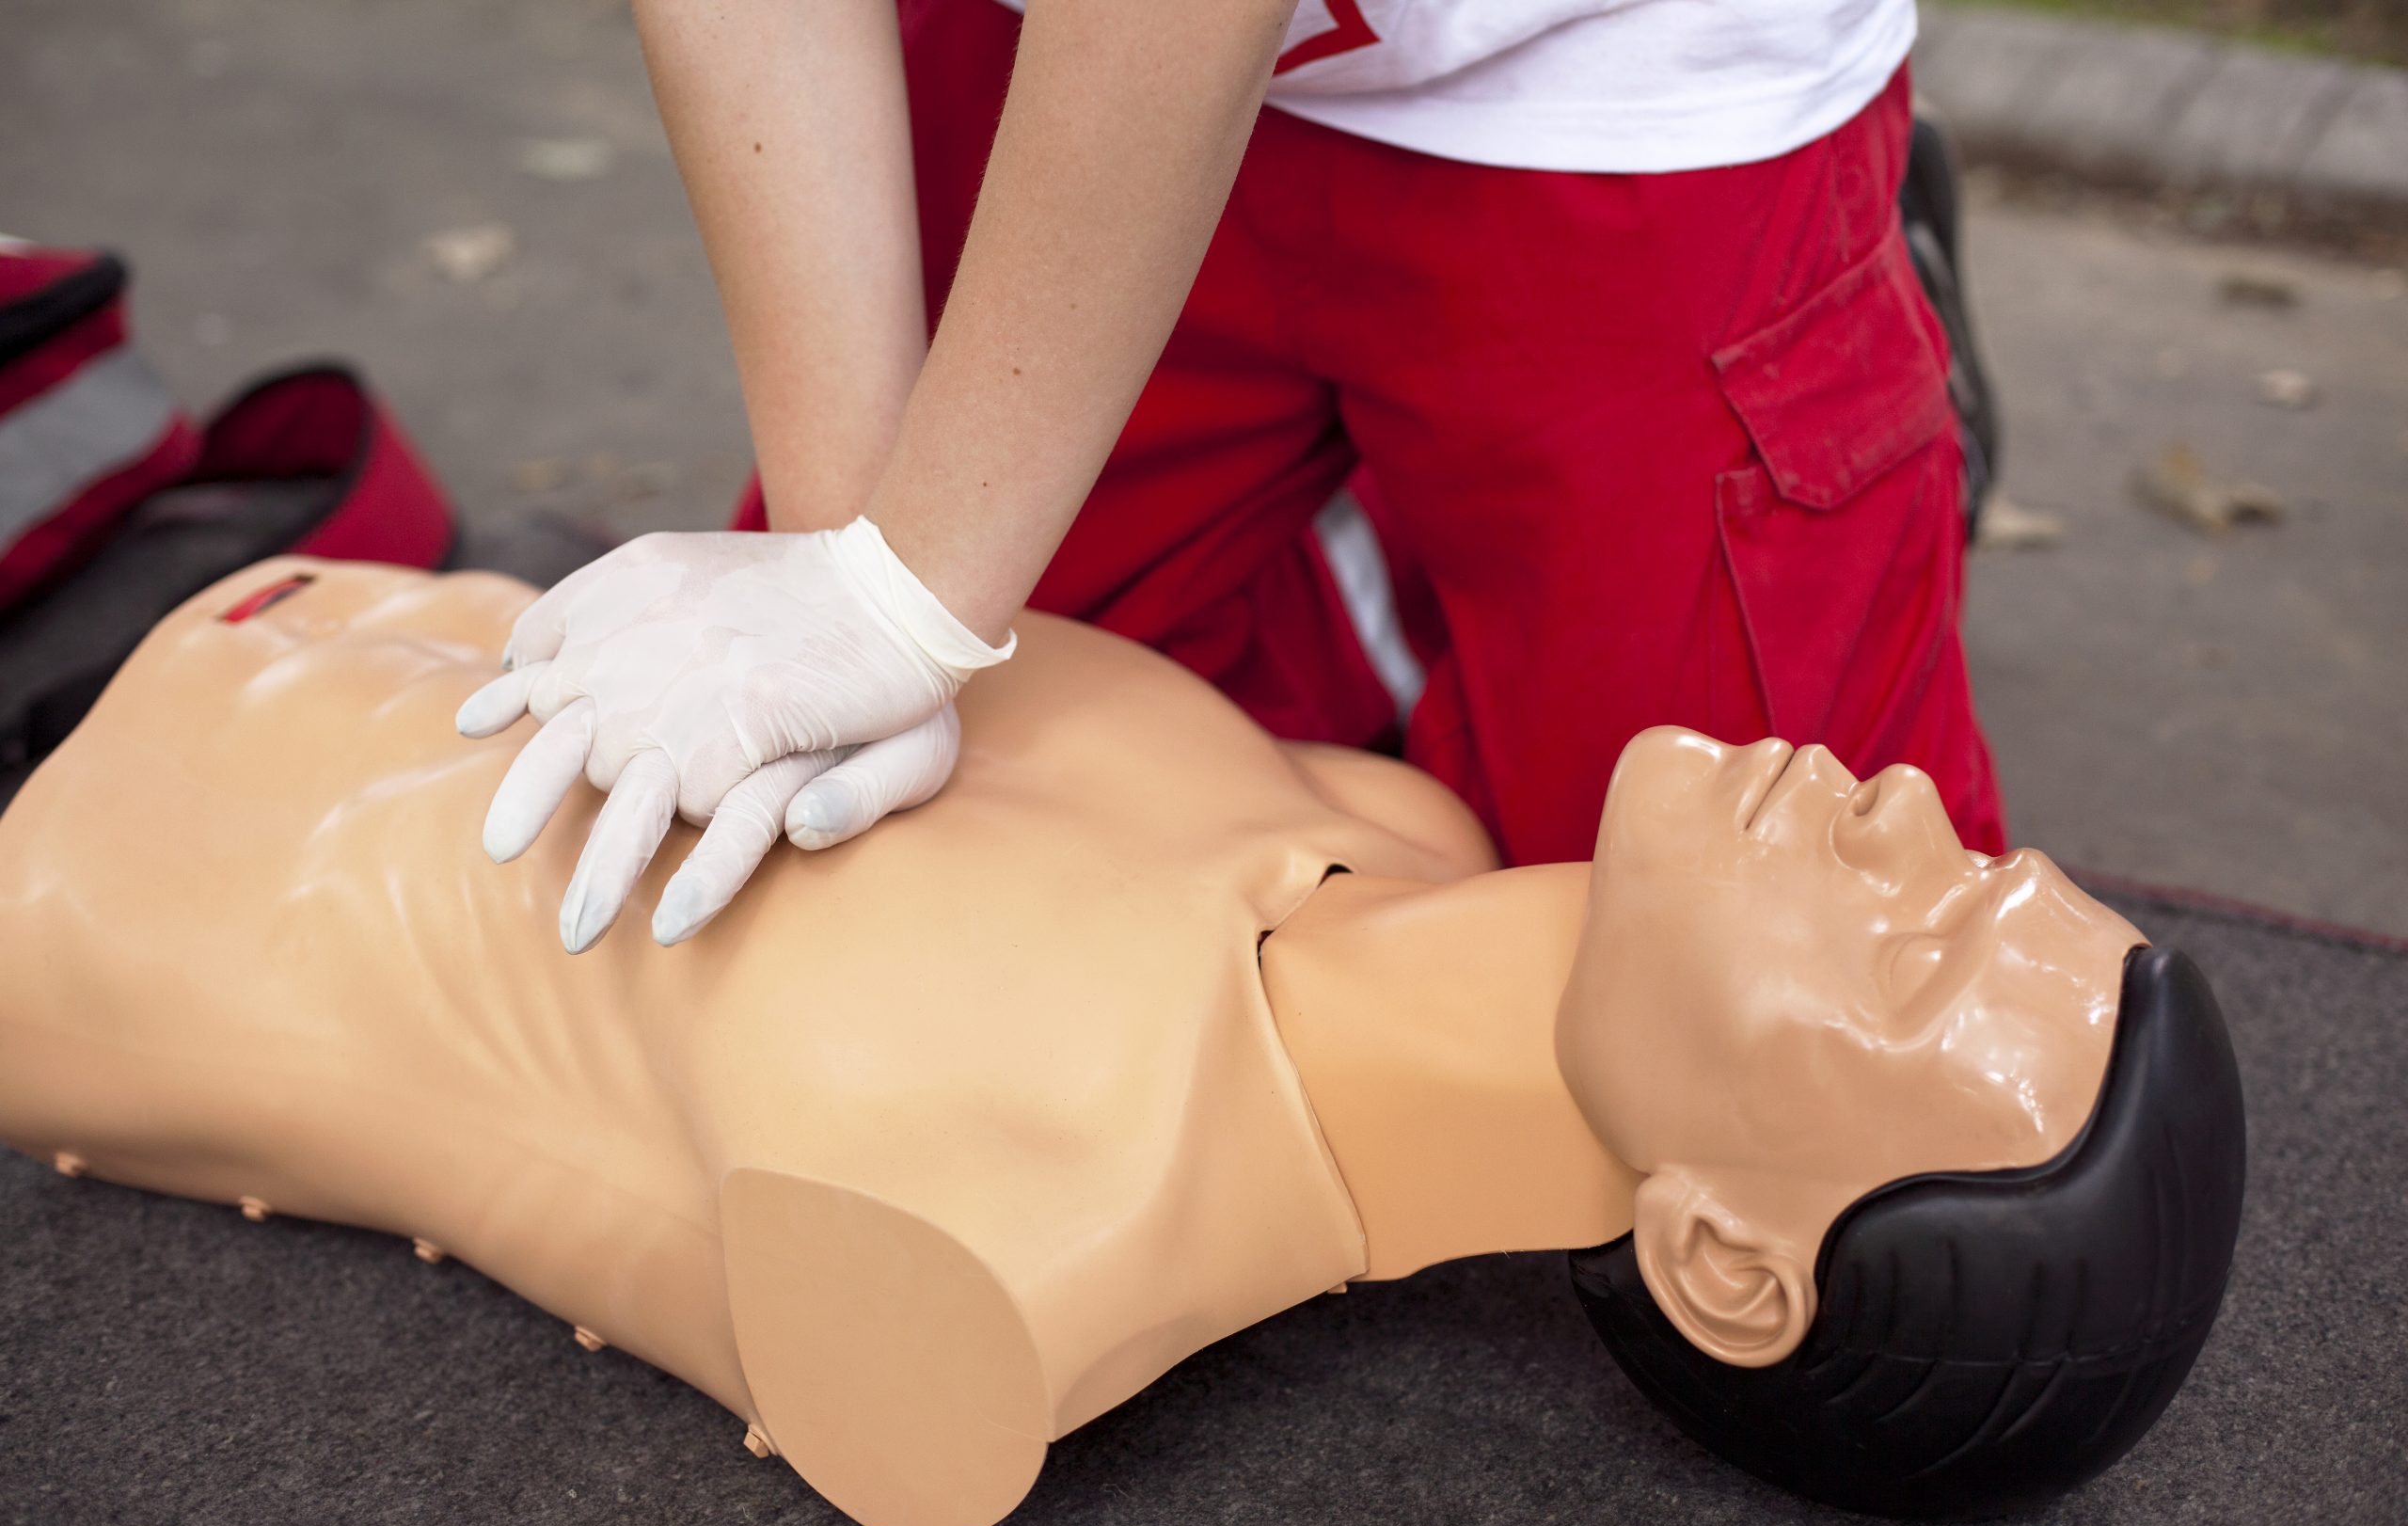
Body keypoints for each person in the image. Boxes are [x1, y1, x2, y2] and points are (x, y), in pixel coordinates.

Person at [0, 561, 2240, 1526]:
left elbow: (444, 1129)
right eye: (1985, 862)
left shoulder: (996, 1276)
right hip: (345, 613)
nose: (1909, 815)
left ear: (1726, 1265)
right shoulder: (1383, 823)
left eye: (1922, 960)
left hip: (78, 892)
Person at [452, 0, 2004, 954]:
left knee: (1774, 984)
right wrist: (842, 576)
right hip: (1047, 49)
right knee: (908, 875)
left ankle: (1860, 344)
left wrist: (913, 596)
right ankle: (1377, 555)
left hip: (1609, 75)